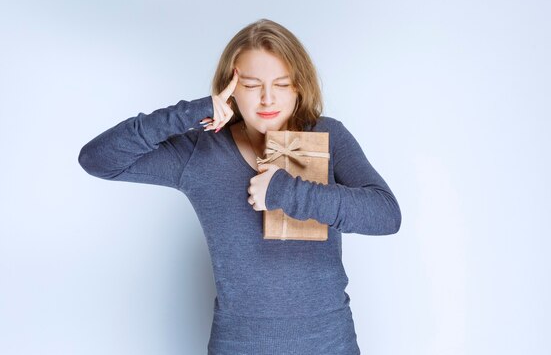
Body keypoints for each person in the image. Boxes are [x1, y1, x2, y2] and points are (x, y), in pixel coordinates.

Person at [78, 18, 402, 355]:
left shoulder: (328, 136)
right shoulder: (202, 151)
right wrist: (191, 113)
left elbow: (385, 214)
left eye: (281, 83)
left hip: (330, 343)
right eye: (250, 85)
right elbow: (97, 159)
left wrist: (286, 192)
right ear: (228, 87)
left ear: (299, 87)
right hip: (239, 345)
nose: (267, 98)